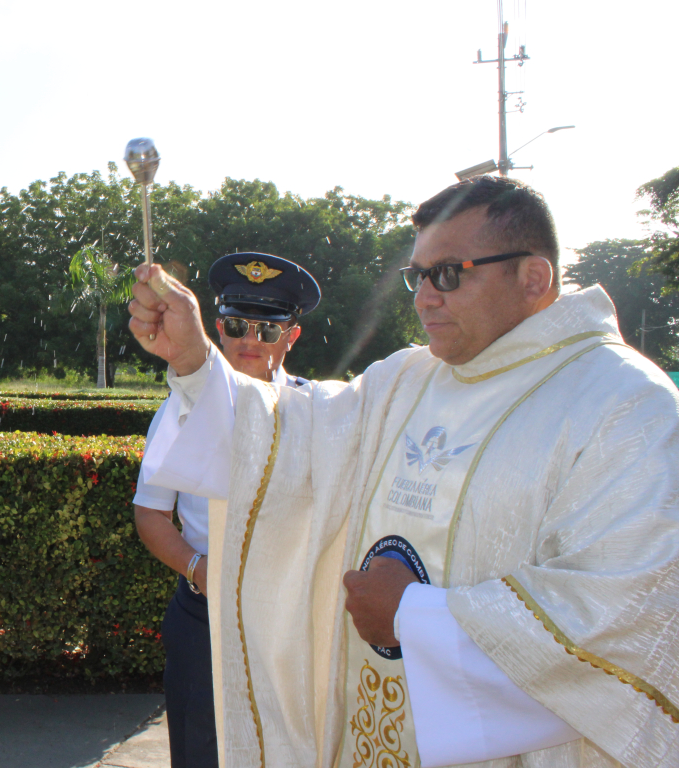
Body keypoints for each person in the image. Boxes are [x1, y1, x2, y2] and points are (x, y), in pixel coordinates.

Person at [127, 175, 679, 768]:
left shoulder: (624, 403)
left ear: (534, 278)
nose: (424, 298)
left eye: (449, 274)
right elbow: (292, 440)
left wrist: (415, 617)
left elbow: (626, 616)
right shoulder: (409, 380)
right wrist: (192, 359)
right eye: (418, 276)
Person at [134, 252, 318, 768]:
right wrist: (200, 569)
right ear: (217, 327)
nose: (249, 341)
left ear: (291, 337)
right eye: (237, 325)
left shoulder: (316, 412)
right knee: (202, 753)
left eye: (267, 328)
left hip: (291, 616)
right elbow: (150, 512)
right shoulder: (180, 410)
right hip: (205, 615)